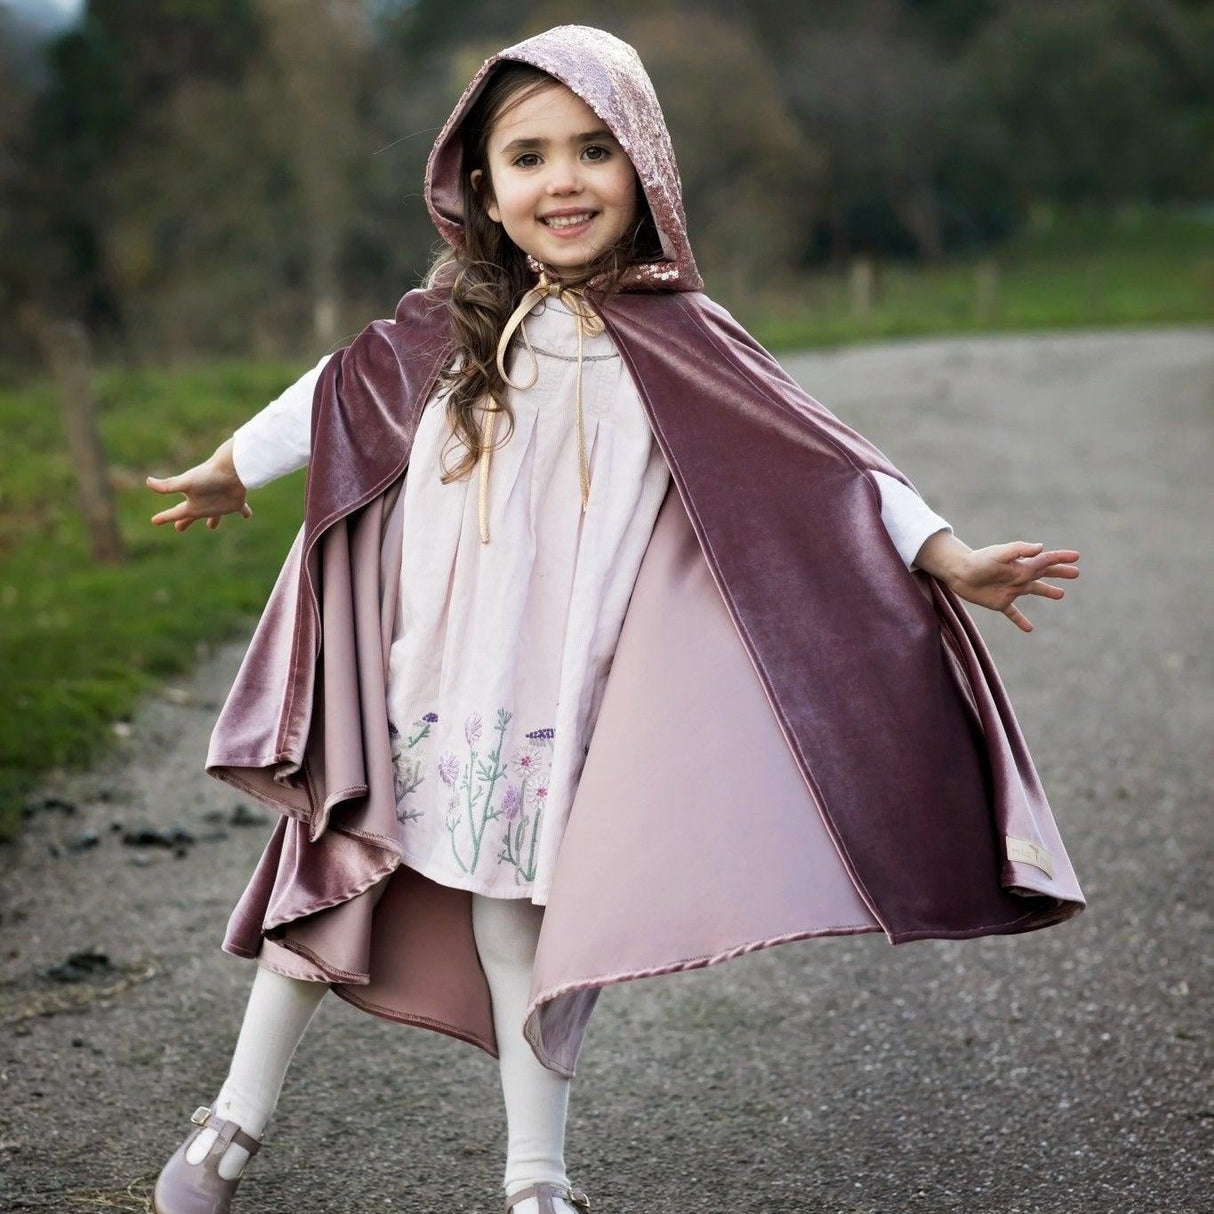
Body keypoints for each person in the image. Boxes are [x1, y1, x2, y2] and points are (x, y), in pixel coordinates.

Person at [144, 25, 1084, 1214]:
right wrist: (232, 467)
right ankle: (230, 1124)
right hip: (415, 682)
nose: (564, 180)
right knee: (323, 891)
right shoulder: (446, 331)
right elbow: (327, 396)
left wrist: (945, 555)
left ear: (643, 164)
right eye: (528, 156)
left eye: (593, 149)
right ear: (482, 186)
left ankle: (536, 1179)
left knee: (519, 931)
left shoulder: (687, 340)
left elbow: (830, 470)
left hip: (556, 700)